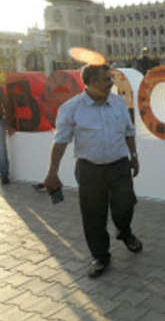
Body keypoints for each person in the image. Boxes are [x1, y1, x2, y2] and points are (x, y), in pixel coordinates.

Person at [43, 64, 142, 278]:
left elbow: (128, 131)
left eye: (111, 78)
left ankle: (124, 232)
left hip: (119, 166)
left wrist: (134, 157)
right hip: (90, 170)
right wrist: (52, 172)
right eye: (106, 79)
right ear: (91, 82)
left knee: (125, 206)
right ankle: (100, 256)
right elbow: (60, 142)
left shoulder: (118, 103)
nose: (111, 83)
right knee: (93, 215)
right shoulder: (71, 108)